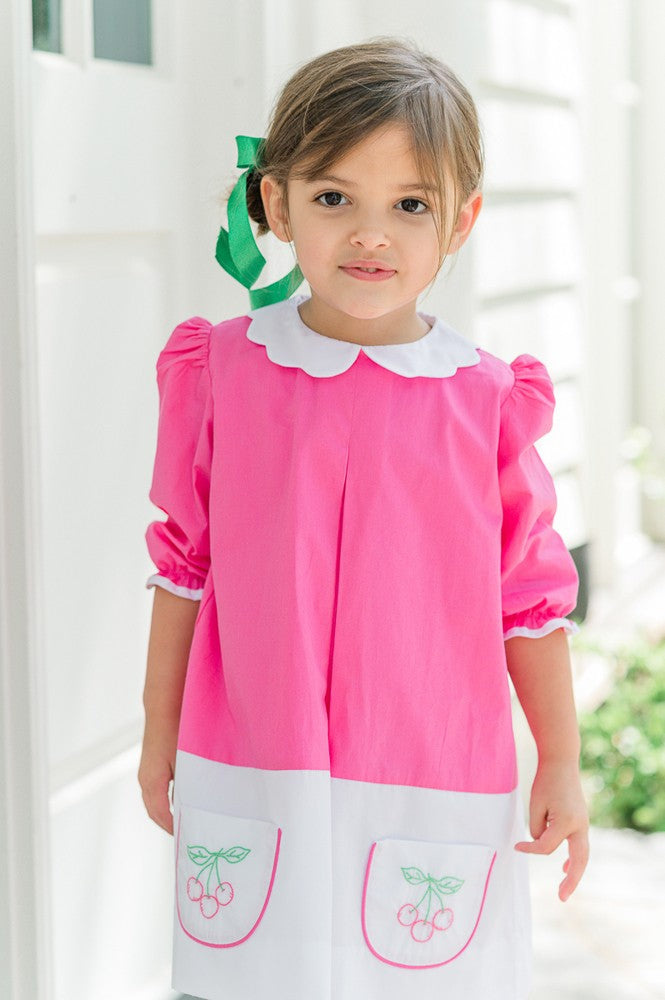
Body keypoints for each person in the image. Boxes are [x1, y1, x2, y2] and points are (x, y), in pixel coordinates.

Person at [138, 37, 589, 1000]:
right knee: (255, 975)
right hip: (255, 757)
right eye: (334, 197)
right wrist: (155, 735)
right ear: (276, 205)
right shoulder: (223, 373)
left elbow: (527, 601)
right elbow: (184, 568)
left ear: (460, 220)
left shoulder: (484, 401)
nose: (370, 235)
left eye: (409, 205)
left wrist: (559, 758)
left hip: (428, 764)